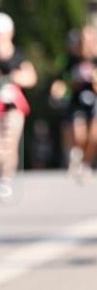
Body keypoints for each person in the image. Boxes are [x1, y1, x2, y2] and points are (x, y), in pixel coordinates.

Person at [0, 11, 37, 198]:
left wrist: (14, 77)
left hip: (13, 104)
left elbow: (30, 77)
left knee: (10, 141)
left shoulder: (18, 55)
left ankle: (6, 179)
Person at [52, 25, 97, 180]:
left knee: (93, 136)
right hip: (76, 101)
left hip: (94, 101)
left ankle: (86, 163)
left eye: (90, 39)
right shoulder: (71, 60)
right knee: (79, 134)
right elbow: (61, 80)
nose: (86, 43)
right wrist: (59, 89)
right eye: (83, 39)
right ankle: (75, 154)